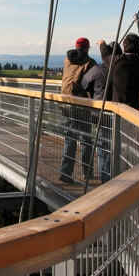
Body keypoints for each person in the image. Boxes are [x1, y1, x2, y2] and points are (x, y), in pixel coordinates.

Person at [79, 40, 121, 183]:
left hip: (100, 113)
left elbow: (84, 83)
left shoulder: (97, 69)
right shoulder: (121, 70)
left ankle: (106, 179)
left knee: (103, 146)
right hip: (120, 114)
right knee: (118, 146)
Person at [59, 37, 96, 184]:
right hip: (81, 104)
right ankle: (87, 173)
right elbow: (91, 83)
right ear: (87, 48)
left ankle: (65, 172)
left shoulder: (67, 60)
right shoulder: (90, 63)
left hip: (65, 103)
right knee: (86, 139)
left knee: (70, 138)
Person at [109, 33, 139, 109]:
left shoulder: (118, 62)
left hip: (120, 109)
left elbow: (105, 55)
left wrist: (101, 43)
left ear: (125, 46)